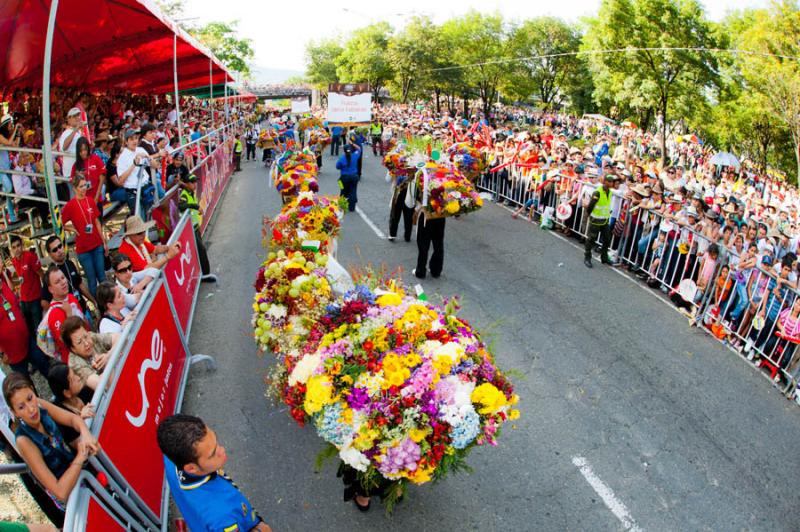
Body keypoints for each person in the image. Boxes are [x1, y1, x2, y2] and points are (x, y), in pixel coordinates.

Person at [2, 372, 99, 519]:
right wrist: (80, 456)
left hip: (82, 475)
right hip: (74, 501)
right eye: (21, 407)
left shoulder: (40, 404)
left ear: (33, 391)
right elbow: (59, 492)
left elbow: (73, 419)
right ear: (14, 412)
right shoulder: (24, 440)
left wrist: (85, 434)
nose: (31, 409)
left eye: (30, 398)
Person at [157, 414, 272, 532]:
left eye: (217, 442)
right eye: (212, 454)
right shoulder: (223, 518)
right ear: (191, 468)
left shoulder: (171, 459)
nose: (222, 450)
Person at [0, 259, 50, 379]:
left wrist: (5, 274)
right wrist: (1, 353)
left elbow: (12, 292)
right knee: (25, 383)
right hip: (12, 351)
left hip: (26, 339)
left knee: (44, 365)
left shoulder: (3, 278)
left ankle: (61, 394)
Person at [60, 175, 108, 297]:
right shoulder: (71, 205)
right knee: (92, 281)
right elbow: (59, 223)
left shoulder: (91, 200)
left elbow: (97, 222)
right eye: (81, 186)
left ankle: (108, 301)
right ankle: (98, 307)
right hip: (83, 250)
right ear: (75, 188)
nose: (84, 188)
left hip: (97, 244)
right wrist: (72, 228)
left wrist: (104, 241)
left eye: (85, 185)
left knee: (102, 277)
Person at [41, 235, 95, 318]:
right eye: (55, 250)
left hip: (83, 310)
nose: (59, 250)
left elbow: (80, 285)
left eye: (60, 246)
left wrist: (93, 301)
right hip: (70, 318)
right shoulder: (51, 274)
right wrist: (60, 316)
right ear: (50, 254)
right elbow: (44, 302)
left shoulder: (70, 263)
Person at [60, 316, 116, 390]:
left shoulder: (90, 336)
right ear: (72, 349)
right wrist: (109, 363)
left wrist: (108, 355)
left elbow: (118, 338)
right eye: (79, 342)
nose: (86, 343)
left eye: (85, 336)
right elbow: (101, 386)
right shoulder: (75, 364)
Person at [44, 265, 86, 363]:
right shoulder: (54, 314)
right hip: (76, 361)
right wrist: (69, 314)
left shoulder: (71, 297)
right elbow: (67, 341)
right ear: (51, 289)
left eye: (63, 278)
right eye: (57, 282)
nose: (63, 282)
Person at [46, 362, 95, 445]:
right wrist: (81, 420)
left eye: (75, 373)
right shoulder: (60, 417)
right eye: (72, 380)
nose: (78, 378)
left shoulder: (84, 391)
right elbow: (78, 445)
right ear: (66, 393)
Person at [9, 235, 44, 337]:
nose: (17, 249)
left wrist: (44, 294)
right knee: (29, 330)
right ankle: (36, 351)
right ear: (11, 249)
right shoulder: (14, 261)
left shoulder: (30, 256)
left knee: (40, 329)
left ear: (22, 245)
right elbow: (21, 279)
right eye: (14, 247)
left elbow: (41, 274)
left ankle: (45, 352)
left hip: (35, 300)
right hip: (24, 301)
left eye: (18, 245)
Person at [178, 173, 211, 275]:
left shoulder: (191, 192)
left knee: (199, 251)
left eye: (195, 181)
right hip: (190, 229)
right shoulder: (184, 194)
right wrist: (196, 206)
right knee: (201, 250)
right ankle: (206, 274)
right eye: (192, 182)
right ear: (187, 184)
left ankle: (202, 271)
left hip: (196, 227)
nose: (195, 184)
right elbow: (181, 206)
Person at [583, 173, 617, 268]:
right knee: (591, 239)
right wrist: (589, 216)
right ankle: (587, 257)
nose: (611, 183)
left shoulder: (609, 192)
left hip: (604, 220)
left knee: (607, 239)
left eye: (612, 182)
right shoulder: (597, 192)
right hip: (595, 219)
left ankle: (604, 257)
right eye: (609, 181)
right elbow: (590, 206)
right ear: (605, 182)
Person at [70, 137, 106, 215]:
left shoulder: (96, 159)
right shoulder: (76, 165)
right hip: (84, 202)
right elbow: (72, 182)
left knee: (98, 224)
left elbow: (102, 177)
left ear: (88, 148)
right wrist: (78, 176)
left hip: (96, 199)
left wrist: (96, 197)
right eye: (81, 150)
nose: (83, 152)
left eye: (85, 149)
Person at [0, 114, 22, 222]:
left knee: (9, 193)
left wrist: (18, 133)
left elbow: (15, 145)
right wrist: (15, 130)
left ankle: (12, 217)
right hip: (1, 170)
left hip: (7, 166)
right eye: (10, 124)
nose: (11, 126)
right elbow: (8, 143)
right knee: (8, 189)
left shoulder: (6, 135)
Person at [413, 211, 446, 280]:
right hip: (440, 215)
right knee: (438, 243)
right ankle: (436, 270)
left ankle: (420, 271)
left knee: (423, 244)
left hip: (427, 215)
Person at [58, 108, 83, 182]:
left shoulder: (79, 133)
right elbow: (64, 147)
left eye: (78, 115)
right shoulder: (66, 133)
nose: (77, 118)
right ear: (68, 119)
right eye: (74, 116)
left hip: (79, 171)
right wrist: (76, 129)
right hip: (70, 173)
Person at [388, 173, 414, 242]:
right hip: (400, 194)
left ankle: (405, 235)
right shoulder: (399, 167)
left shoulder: (414, 168)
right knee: (397, 215)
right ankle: (394, 234)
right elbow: (390, 178)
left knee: (407, 216)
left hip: (407, 193)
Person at [336, 143, 361, 212]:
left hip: (344, 178)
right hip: (354, 177)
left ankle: (342, 206)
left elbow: (337, 167)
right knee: (353, 191)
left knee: (343, 191)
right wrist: (353, 144)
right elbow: (359, 148)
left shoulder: (342, 158)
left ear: (344, 151)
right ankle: (352, 207)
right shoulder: (355, 155)